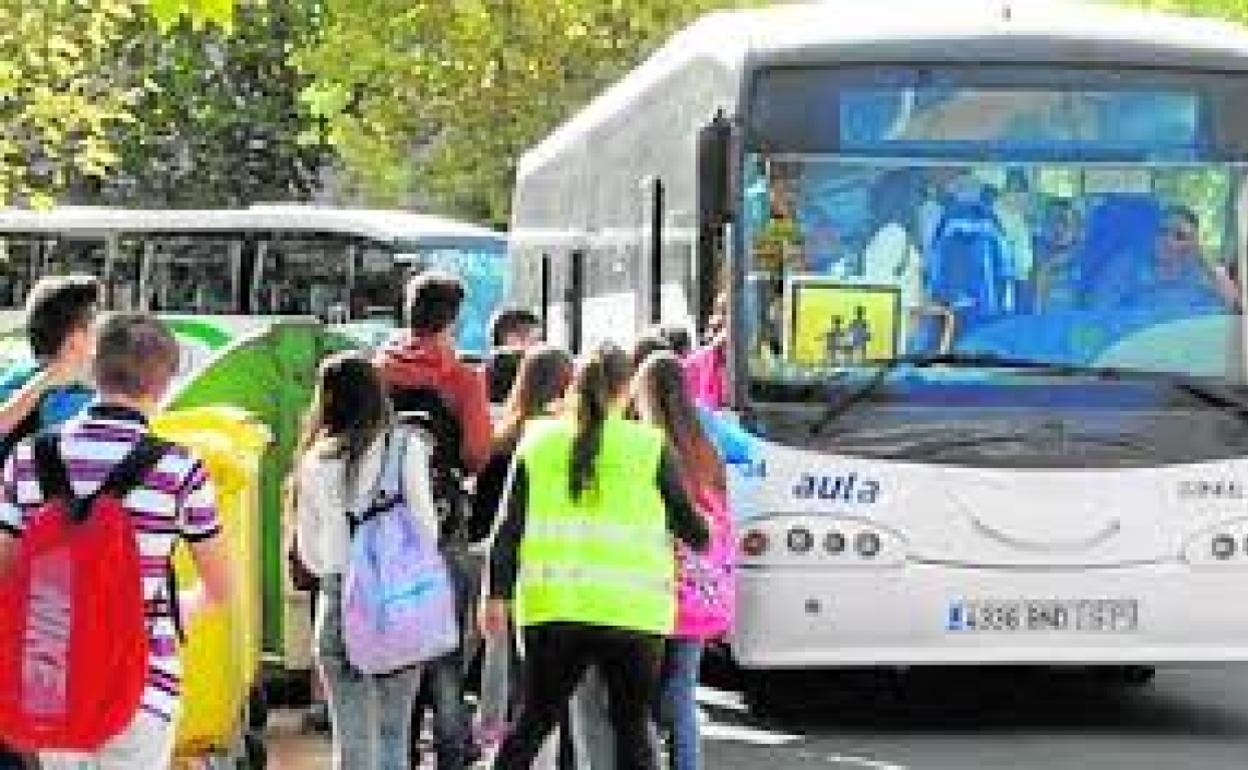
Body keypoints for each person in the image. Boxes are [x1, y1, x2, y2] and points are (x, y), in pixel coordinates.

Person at [0, 313, 232, 770]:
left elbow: (5, 572)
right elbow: (221, 587)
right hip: (143, 685)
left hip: (53, 682)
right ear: (163, 383)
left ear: (94, 371)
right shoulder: (179, 468)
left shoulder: (30, 458)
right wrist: (175, 605)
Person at [483, 342, 709, 770]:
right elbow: (692, 530)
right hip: (634, 613)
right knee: (631, 729)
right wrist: (705, 527)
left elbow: (507, 531)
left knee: (532, 723)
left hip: (553, 610)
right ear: (627, 390)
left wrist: (495, 596)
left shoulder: (538, 441)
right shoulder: (649, 446)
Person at [294, 352, 438, 770]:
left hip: (340, 599)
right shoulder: (406, 449)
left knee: (352, 742)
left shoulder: (316, 461)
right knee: (395, 731)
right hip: (400, 599)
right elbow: (426, 531)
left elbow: (310, 552)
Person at [375, 271, 490, 770]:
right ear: (454, 319)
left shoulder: (376, 369)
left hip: (382, 528)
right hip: (443, 527)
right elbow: (478, 452)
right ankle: (450, 750)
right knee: (444, 652)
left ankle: (396, 752)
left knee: (391, 651)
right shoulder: (461, 378)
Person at [633, 352, 733, 770]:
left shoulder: (642, 447)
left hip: (653, 589)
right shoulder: (706, 447)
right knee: (682, 689)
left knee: (643, 694)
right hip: (699, 591)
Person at [475, 347, 573, 758]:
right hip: (550, 576)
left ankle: (493, 740)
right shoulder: (564, 442)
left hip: (502, 569)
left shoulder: (502, 439)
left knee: (501, 671)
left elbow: (486, 515)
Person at [0, 274, 99, 458]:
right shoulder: (85, 398)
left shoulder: (11, 381)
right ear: (75, 339)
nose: (96, 337)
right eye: (93, 328)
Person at [487, 308, 543, 404]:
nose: (540, 344)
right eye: (535, 338)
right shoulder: (521, 366)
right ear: (513, 337)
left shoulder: (487, 366)